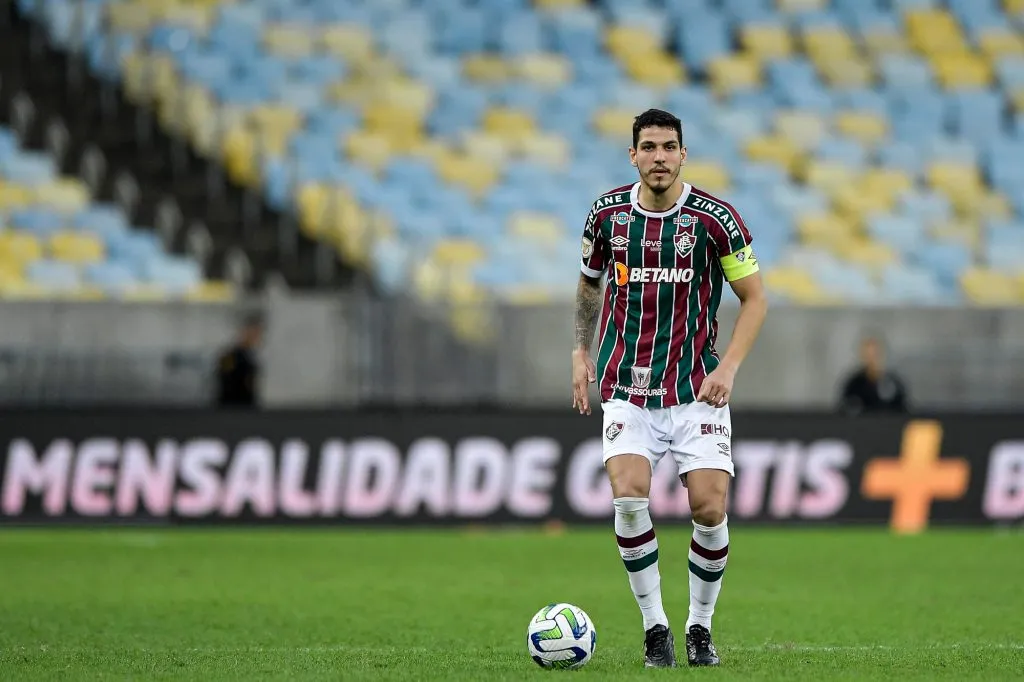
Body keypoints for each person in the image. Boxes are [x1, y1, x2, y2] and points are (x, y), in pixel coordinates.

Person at [571, 109, 768, 668]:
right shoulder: (606, 216)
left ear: (684, 155)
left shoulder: (715, 219)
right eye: (649, 147)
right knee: (629, 497)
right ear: (632, 155)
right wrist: (579, 349)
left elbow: (755, 299)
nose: (659, 156)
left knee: (709, 507)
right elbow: (589, 286)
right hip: (625, 384)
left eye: (669, 147)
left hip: (694, 389)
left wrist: (727, 367)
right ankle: (655, 628)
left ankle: (699, 629)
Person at [838, 335, 908, 414]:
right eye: (868, 355)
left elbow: (903, 411)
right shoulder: (853, 385)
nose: (872, 359)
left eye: (875, 354)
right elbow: (844, 411)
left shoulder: (894, 384)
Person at [214, 313, 264, 408]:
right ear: (244, 332)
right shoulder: (229, 356)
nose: (257, 337)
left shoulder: (250, 357)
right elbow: (224, 383)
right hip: (233, 408)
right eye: (254, 332)